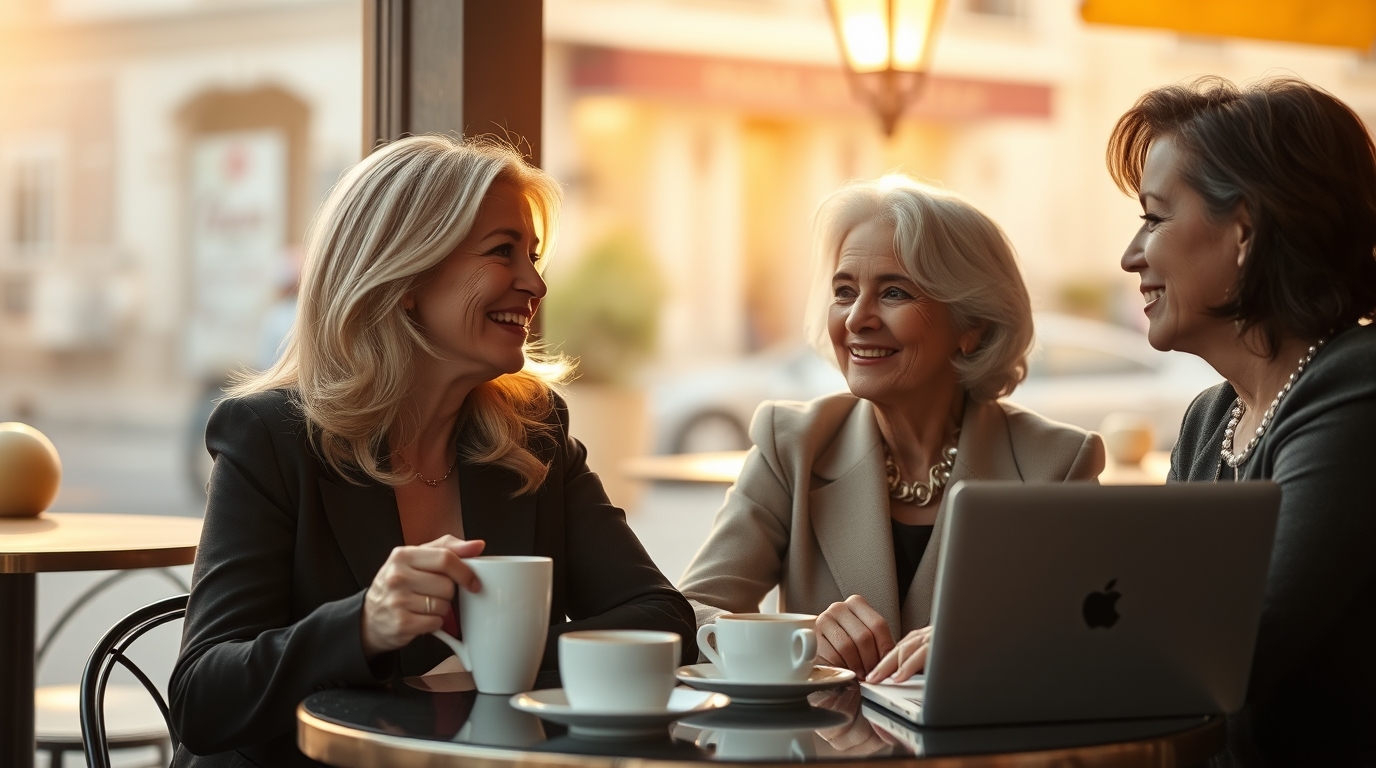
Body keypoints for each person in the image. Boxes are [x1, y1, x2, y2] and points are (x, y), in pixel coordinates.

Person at [169, 135, 696, 767]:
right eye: (504, 253)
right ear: (408, 276)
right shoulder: (270, 436)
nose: (536, 283)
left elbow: (664, 617)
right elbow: (203, 699)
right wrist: (363, 624)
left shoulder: (532, 434)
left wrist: (497, 656)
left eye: (532, 255)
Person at [678, 175, 1105, 684]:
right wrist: (796, 636)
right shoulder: (791, 444)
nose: (857, 318)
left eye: (894, 292)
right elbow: (687, 615)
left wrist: (984, 644)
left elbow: (1095, 640)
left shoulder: (1056, 464)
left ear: (974, 327)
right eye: (844, 291)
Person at [1108, 77, 1376, 767]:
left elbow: (1233, 650)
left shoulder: (1358, 385)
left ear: (1245, 232)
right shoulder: (1208, 420)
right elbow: (1153, 617)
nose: (1131, 255)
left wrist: (1019, 644)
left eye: (1155, 218)